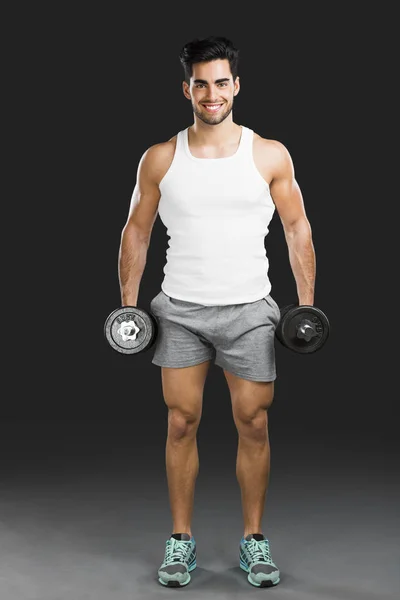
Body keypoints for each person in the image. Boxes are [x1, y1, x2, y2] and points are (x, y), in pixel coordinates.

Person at [118, 35, 316, 588]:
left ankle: (254, 541)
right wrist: (128, 309)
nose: (211, 93)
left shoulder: (269, 153)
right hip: (179, 310)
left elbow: (297, 227)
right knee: (181, 423)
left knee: (253, 422)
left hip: (249, 309)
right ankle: (180, 541)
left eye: (221, 82)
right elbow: (136, 230)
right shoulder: (160, 157)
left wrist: (306, 304)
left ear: (236, 86)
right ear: (187, 88)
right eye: (200, 83)